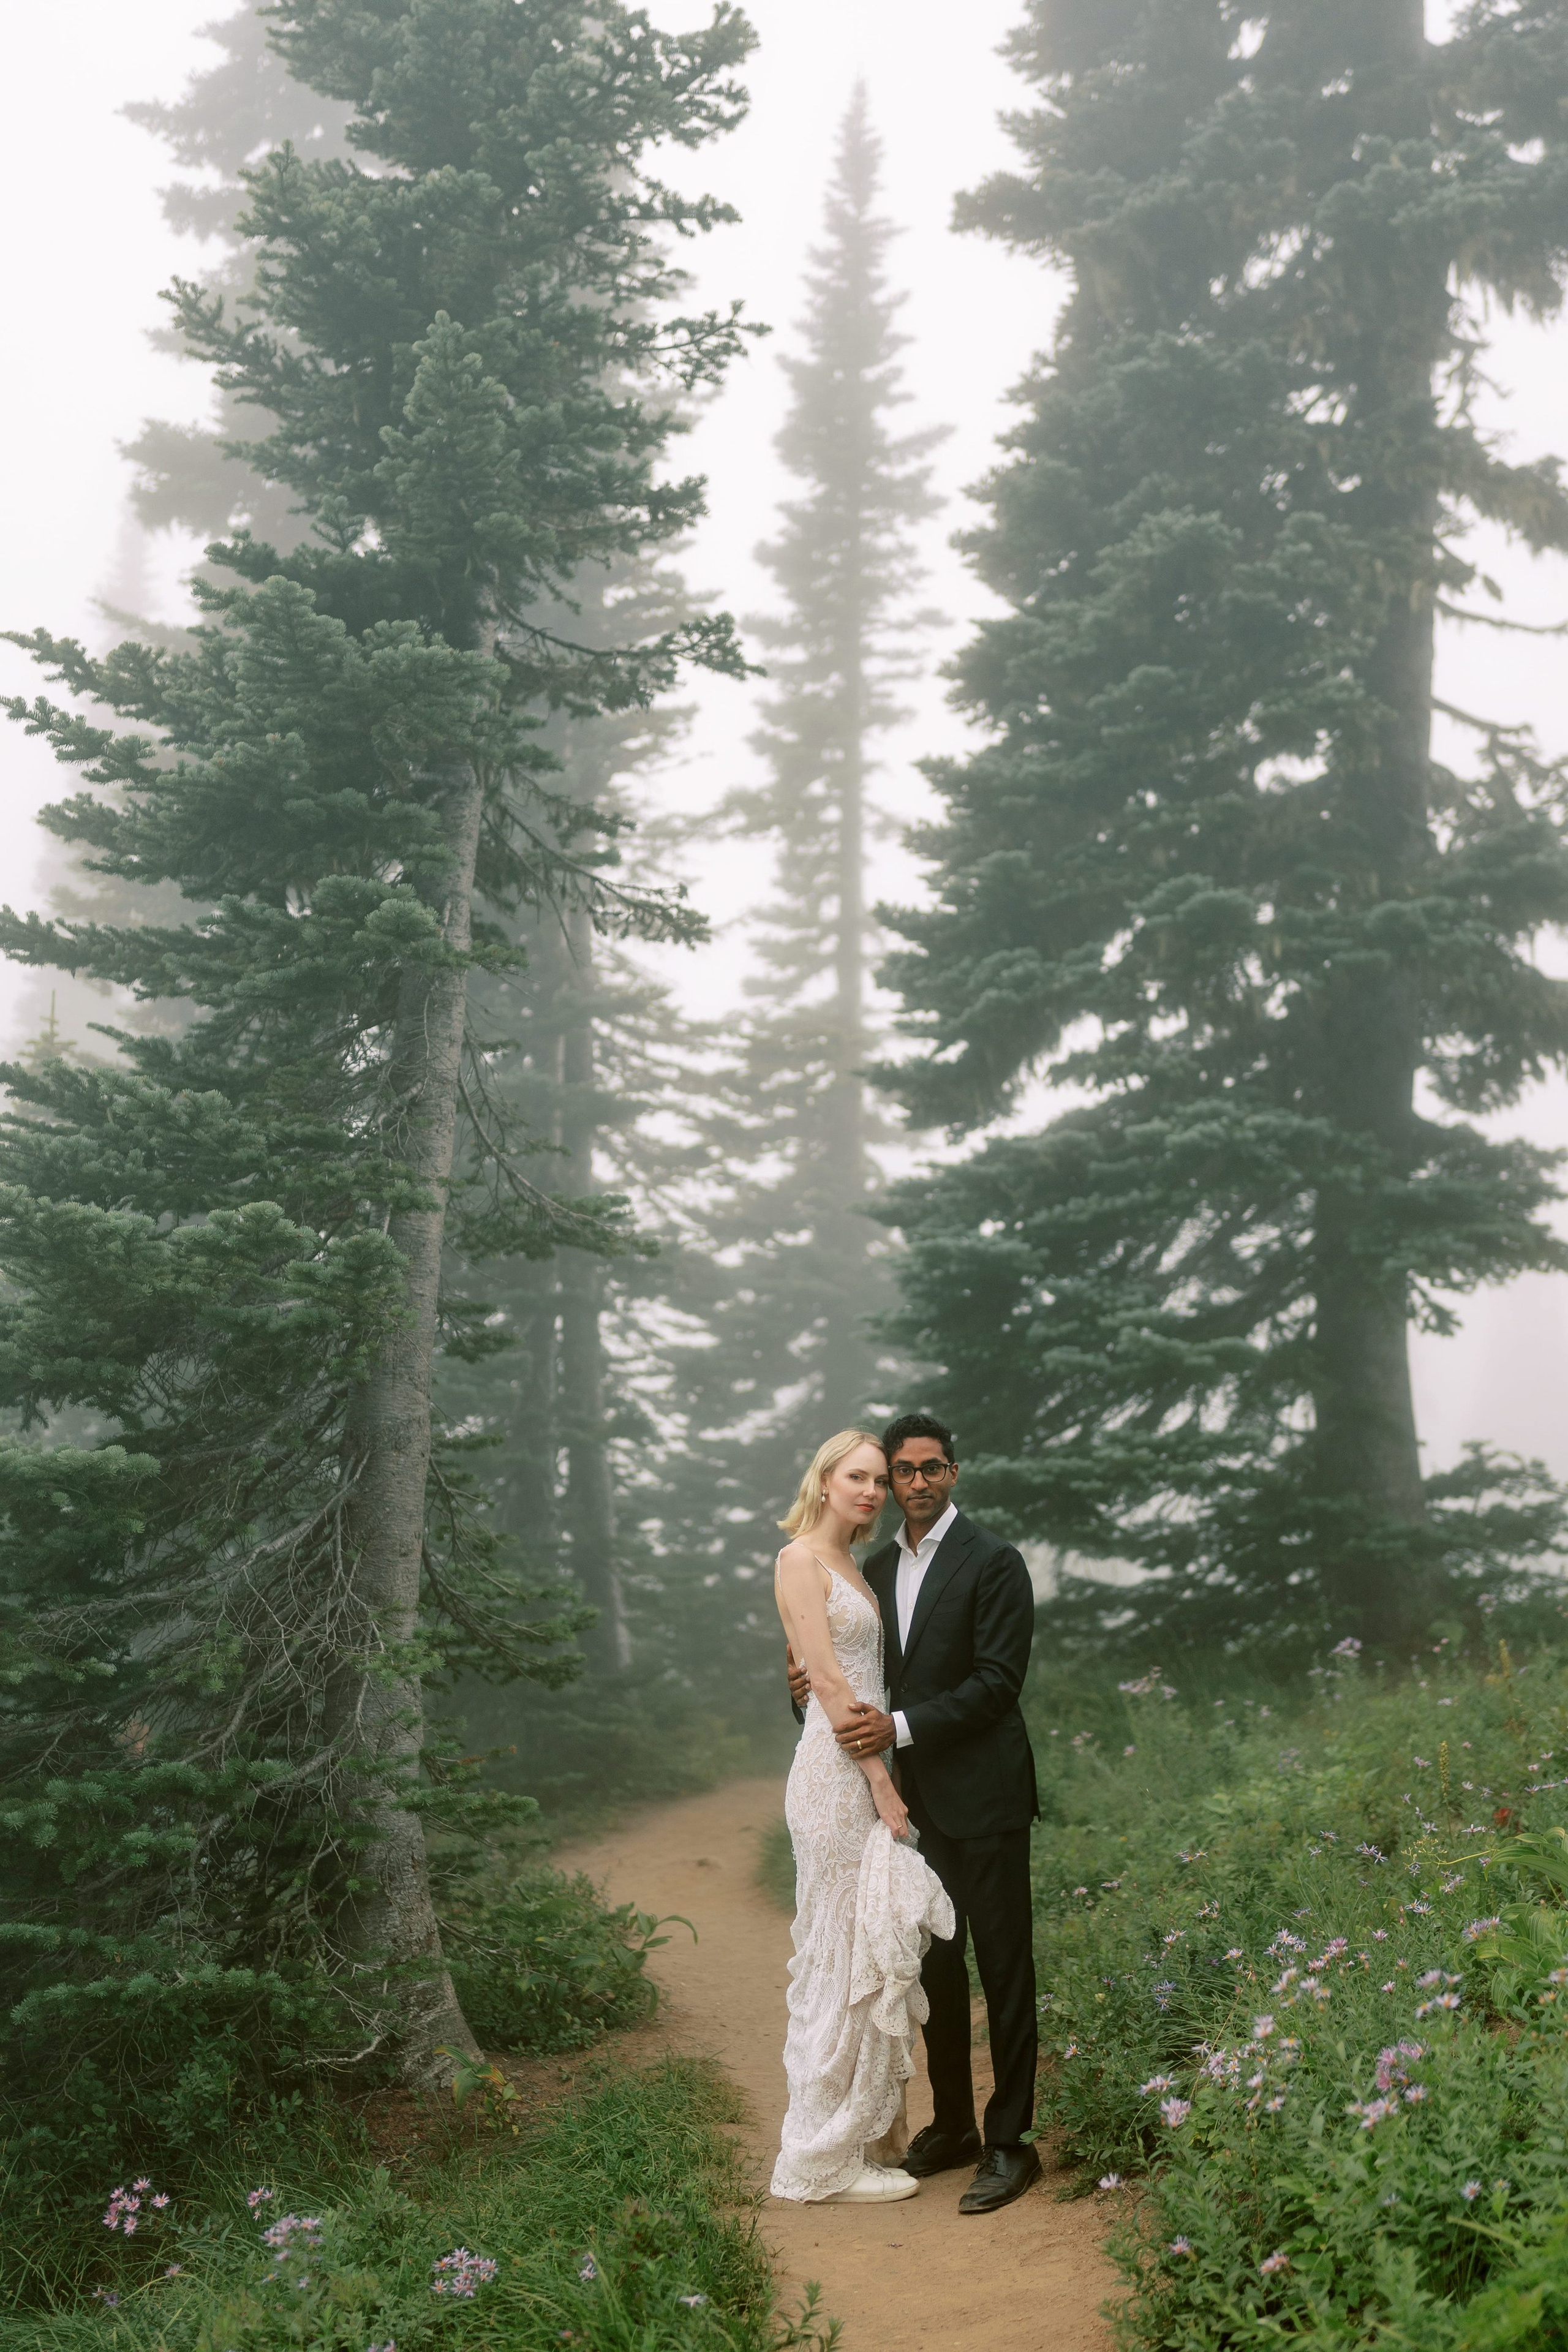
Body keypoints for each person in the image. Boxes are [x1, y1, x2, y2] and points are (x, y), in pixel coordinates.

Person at [786, 1411, 1041, 2215]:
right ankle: (955, 2126)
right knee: (932, 1965)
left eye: (933, 1468)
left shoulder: (993, 1561)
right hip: (909, 1806)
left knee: (1002, 1968)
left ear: (953, 1474)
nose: (916, 1483)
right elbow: (848, 1671)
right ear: (890, 1482)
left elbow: (998, 1682)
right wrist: (804, 1695)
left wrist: (893, 1730)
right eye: (903, 1471)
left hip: (986, 1797)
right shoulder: (872, 1567)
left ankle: (1009, 2143)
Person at [770, 1429, 956, 2205]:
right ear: (823, 1480)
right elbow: (831, 1683)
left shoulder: (856, 1564)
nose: (874, 1490)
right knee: (842, 1959)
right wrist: (880, 1779)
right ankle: (822, 2161)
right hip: (837, 1774)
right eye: (858, 1476)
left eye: (881, 1478)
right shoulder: (799, 1559)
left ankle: (870, 2136)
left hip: (862, 1764)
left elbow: (855, 1675)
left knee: (870, 1947)